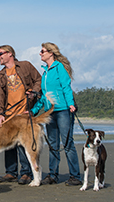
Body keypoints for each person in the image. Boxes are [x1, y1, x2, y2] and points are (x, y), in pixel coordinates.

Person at [30, 42, 81, 186]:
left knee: (67, 143)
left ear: (50, 53)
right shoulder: (45, 72)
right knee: (53, 144)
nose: (40, 53)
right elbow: (43, 96)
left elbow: (66, 87)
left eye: (42, 51)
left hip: (63, 110)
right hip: (50, 112)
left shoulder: (59, 68)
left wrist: (71, 104)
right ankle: (53, 175)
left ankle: (75, 176)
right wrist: (33, 111)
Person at [0, 45, 41, 185]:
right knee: (9, 144)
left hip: (25, 112)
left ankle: (26, 173)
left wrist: (34, 92)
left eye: (0, 54)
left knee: (23, 144)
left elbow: (38, 79)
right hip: (8, 115)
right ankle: (11, 172)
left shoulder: (25, 66)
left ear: (10, 54)